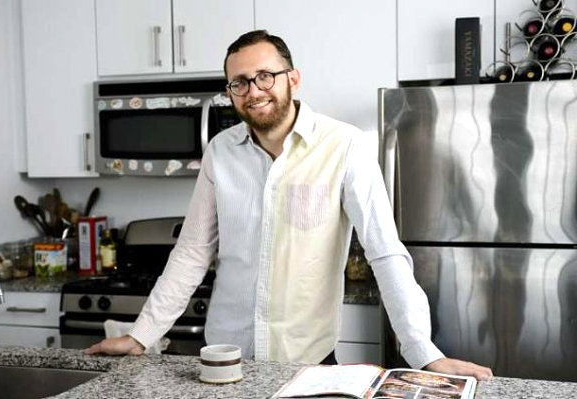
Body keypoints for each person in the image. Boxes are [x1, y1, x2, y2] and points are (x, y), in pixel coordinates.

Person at [85, 30, 492, 381]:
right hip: (226, 365)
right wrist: (142, 335)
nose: (253, 90)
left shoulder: (345, 147)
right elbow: (192, 252)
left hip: (308, 367)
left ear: (293, 79)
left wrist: (424, 352)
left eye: (265, 76)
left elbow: (384, 253)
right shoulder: (220, 153)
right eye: (239, 82)